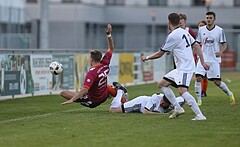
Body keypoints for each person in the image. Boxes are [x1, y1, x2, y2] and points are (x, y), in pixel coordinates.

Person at [141, 13, 209, 121]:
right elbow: (196, 45)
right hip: (181, 67)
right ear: (178, 22)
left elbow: (160, 53)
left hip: (185, 67)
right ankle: (177, 107)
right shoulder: (183, 32)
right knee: (162, 84)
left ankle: (200, 115)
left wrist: (147, 57)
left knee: (182, 91)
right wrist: (203, 62)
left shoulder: (172, 35)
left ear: (169, 22)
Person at [60, 24, 117, 108]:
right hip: (104, 96)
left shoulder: (92, 72)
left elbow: (85, 89)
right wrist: (109, 35)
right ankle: (118, 95)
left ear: (92, 60)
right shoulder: (105, 63)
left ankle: (82, 98)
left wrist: (72, 99)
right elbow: (111, 48)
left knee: (63, 93)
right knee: (107, 86)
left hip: (94, 101)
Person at [194, 11, 236, 106]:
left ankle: (230, 93)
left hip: (214, 60)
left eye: (210, 18)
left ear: (214, 19)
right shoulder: (201, 30)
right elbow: (197, 44)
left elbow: (224, 44)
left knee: (217, 82)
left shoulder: (219, 30)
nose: (208, 20)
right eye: (207, 18)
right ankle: (199, 100)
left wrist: (221, 52)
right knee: (198, 78)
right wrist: (197, 56)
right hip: (203, 59)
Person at [109, 82, 185, 114]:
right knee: (113, 110)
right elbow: (146, 112)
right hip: (139, 103)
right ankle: (120, 91)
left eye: (163, 103)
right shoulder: (156, 97)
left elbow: (182, 99)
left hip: (142, 105)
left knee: (119, 107)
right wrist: (163, 115)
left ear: (169, 104)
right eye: (161, 100)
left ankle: (123, 100)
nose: (161, 103)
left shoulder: (174, 103)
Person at [197, 20, 208, 99]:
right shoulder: (198, 36)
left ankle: (203, 91)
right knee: (199, 76)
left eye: (202, 25)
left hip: (206, 58)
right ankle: (201, 92)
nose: (200, 27)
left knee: (205, 77)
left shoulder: (207, 36)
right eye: (199, 25)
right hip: (198, 58)